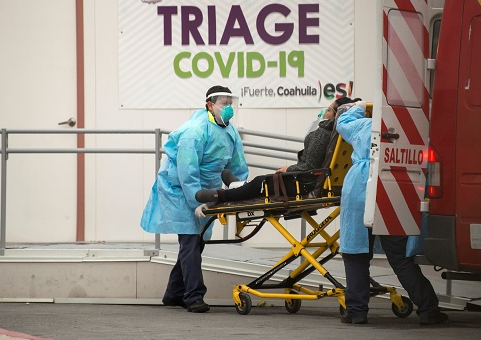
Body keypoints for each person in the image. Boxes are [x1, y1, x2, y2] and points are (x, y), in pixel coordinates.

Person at [336, 102, 448, 325]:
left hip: (360, 188)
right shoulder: (410, 132)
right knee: (400, 257)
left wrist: (359, 106)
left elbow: (342, 122)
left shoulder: (365, 125)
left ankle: (357, 311)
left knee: (356, 255)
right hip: (394, 188)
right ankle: (428, 310)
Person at [140, 86, 248, 313]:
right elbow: (186, 172)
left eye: (231, 103)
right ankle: (194, 297)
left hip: (207, 192)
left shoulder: (230, 131)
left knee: (196, 243)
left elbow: (236, 165)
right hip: (180, 191)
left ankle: (173, 294)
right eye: (223, 103)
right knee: (190, 241)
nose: (228, 108)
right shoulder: (195, 131)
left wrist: (239, 189)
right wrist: (196, 201)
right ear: (209, 105)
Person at [194, 97, 359, 205]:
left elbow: (310, 167)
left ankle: (222, 196)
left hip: (305, 184)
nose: (325, 112)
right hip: (322, 183)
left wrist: (289, 169)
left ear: (336, 114)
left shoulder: (323, 133)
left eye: (329, 109)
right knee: (262, 183)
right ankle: (237, 184)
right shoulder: (345, 136)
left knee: (262, 182)